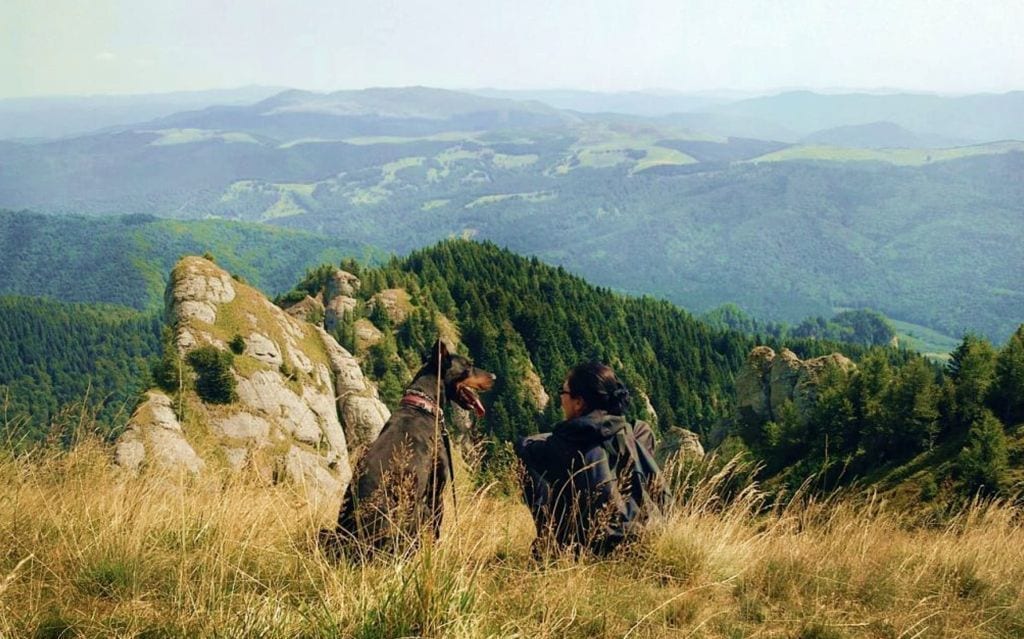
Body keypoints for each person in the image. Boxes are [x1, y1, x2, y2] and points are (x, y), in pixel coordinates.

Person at [515, 361, 663, 556]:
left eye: (563, 391)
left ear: (579, 403)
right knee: (642, 430)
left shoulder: (562, 444)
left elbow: (527, 448)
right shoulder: (631, 433)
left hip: (585, 548)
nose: (560, 397)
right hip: (640, 539)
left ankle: (549, 540)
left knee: (524, 450)